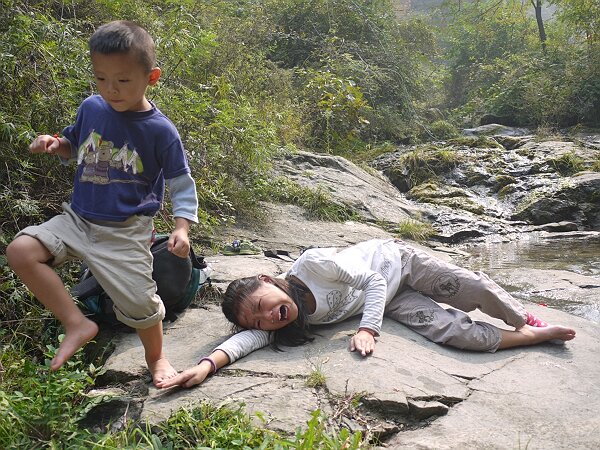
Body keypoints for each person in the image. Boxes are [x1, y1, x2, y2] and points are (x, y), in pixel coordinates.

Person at [6, 21, 198, 386]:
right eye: (101, 79)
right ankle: (77, 323)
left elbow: (180, 182)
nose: (111, 90)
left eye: (123, 80)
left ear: (151, 76)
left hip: (126, 232)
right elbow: (75, 144)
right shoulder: (92, 107)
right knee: (20, 251)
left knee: (141, 306)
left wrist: (181, 227)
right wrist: (54, 144)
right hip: (78, 219)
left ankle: (157, 359)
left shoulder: (160, 130)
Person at [157, 238, 576, 389]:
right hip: (394, 302)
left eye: (262, 306)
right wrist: (207, 365)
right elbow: (244, 340)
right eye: (260, 321)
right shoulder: (288, 319)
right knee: (456, 335)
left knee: (476, 288)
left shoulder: (312, 264)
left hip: (398, 264)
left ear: (269, 280)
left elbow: (374, 282)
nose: (269, 318)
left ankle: (524, 319)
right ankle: (534, 338)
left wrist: (368, 331)